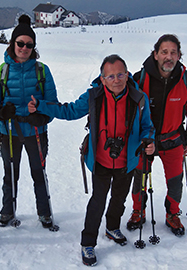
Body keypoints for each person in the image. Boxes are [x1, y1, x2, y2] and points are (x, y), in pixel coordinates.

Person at [28, 54, 155, 266]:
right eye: (111, 76)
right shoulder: (93, 97)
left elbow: (147, 126)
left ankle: (112, 227)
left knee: (119, 199)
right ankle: (88, 242)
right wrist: (41, 106)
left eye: (120, 74)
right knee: (97, 202)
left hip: (128, 161)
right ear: (102, 78)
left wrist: (148, 140)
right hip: (101, 161)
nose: (117, 79)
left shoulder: (138, 98)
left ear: (127, 74)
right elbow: (68, 110)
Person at [127, 34, 187, 236]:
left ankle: (172, 214)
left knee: (175, 180)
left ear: (179, 56)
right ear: (155, 54)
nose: (168, 57)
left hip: (173, 139)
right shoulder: (139, 79)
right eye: (164, 52)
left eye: (173, 52)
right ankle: (138, 211)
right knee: (139, 177)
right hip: (146, 141)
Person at [0, 15, 59, 229]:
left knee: (39, 173)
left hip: (36, 131)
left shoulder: (42, 70)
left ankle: (44, 213)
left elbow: (52, 103)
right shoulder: (2, 71)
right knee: (10, 173)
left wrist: (42, 115)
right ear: (13, 43)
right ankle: (7, 211)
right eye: (20, 43)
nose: (24, 48)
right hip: (9, 132)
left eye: (29, 44)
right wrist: (2, 111)